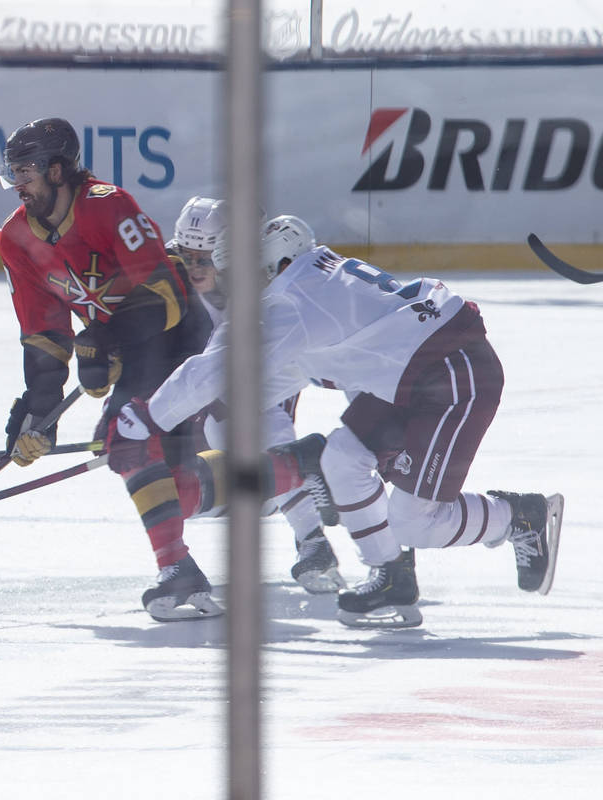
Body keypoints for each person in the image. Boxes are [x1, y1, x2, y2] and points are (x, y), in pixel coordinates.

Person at [108, 213, 565, 628]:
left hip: (451, 373)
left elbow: (215, 368)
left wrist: (146, 419)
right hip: (408, 372)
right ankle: (391, 576)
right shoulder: (312, 280)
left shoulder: (290, 305)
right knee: (342, 459)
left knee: (415, 522)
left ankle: (520, 517)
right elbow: (286, 370)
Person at [0, 117, 221, 623]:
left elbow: (166, 295)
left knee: (126, 440)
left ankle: (177, 567)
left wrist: (106, 342)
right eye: (12, 173)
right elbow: (44, 332)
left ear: (58, 170)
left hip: (179, 338)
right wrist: (39, 412)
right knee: (176, 484)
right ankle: (296, 470)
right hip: (127, 347)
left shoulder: (106, 204)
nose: (18, 185)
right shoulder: (15, 237)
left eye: (26, 171)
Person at [165, 196, 343, 593]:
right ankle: (300, 493)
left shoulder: (267, 282)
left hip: (272, 380)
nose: (194, 269)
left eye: (204, 259)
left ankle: (312, 537)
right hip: (216, 389)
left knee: (239, 421)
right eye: (185, 256)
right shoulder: (169, 277)